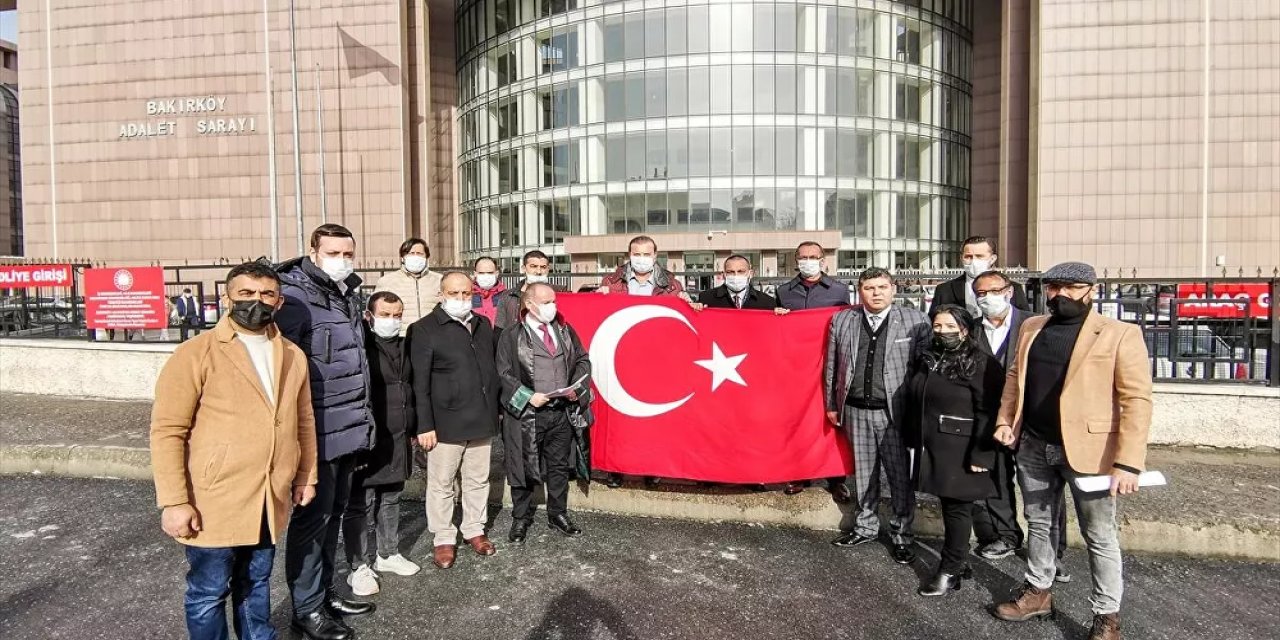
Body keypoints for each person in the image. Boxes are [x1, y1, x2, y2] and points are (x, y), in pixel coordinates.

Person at [150, 261, 317, 640]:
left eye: (266, 294)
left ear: (279, 300)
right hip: (215, 498)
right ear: (227, 297)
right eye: (246, 293)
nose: (256, 302)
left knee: (256, 584)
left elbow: (303, 421)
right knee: (209, 591)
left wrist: (306, 474)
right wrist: (175, 501)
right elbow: (168, 431)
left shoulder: (291, 354)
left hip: (267, 497)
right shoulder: (196, 353)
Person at [991, 262, 1153, 640]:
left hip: (1092, 454)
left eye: (1070, 287)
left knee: (1099, 534)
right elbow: (1016, 376)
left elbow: (1136, 400)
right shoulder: (1032, 328)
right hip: (1033, 443)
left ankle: (1106, 615)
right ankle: (1038, 592)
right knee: (1039, 523)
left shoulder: (1119, 334)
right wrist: (1005, 419)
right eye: (1054, 287)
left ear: (1090, 290)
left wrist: (1128, 462)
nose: (1060, 294)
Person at [276, 224, 376, 640]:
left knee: (332, 519)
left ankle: (323, 593)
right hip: (316, 433)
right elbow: (286, 373)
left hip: (347, 428)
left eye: (348, 252)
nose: (342, 259)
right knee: (311, 525)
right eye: (333, 252)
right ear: (313, 252)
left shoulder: (343, 293)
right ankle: (306, 609)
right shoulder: (295, 299)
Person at [824, 267, 930, 564]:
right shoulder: (844, 319)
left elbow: (924, 370)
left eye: (882, 287)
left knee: (899, 477)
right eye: (869, 288)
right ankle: (865, 526)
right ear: (860, 291)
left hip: (894, 412)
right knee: (864, 474)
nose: (876, 293)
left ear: (893, 289)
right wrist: (832, 403)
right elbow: (832, 366)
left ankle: (902, 534)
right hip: (856, 409)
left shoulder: (915, 320)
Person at [969, 270, 1070, 581]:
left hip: (1031, 420)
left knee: (1043, 490)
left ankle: (1054, 552)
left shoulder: (1036, 325)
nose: (989, 298)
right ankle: (1007, 535)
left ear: (1009, 291)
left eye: (995, 290)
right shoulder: (970, 330)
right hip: (988, 417)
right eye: (981, 293)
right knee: (996, 481)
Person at [904, 304, 1002, 596]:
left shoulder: (983, 362)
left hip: (965, 447)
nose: (943, 331)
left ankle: (949, 570)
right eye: (937, 326)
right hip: (935, 444)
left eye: (949, 326)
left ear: (965, 329)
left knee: (958, 509)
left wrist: (982, 455)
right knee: (951, 507)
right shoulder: (931, 357)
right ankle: (959, 562)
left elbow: (990, 411)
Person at [408, 272, 502, 569]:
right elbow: (418, 383)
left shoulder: (482, 324)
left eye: (465, 293)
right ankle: (443, 537)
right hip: (444, 421)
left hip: (480, 416)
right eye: (454, 293)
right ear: (442, 294)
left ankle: (474, 528)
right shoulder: (423, 330)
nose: (461, 299)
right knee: (442, 483)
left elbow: (490, 367)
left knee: (477, 479)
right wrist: (424, 425)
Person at [496, 282, 593, 542]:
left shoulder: (564, 329)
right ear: (530, 304)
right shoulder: (511, 335)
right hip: (529, 414)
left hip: (561, 411)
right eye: (547, 302)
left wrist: (577, 387)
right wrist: (528, 397)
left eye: (554, 302)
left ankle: (557, 513)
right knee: (523, 464)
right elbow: (503, 373)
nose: (553, 307)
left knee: (559, 465)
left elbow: (582, 360)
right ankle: (520, 517)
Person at [341, 292, 420, 599]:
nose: (392, 320)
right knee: (359, 503)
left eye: (397, 314)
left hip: (398, 434)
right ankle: (358, 565)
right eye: (385, 314)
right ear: (369, 317)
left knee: (391, 497)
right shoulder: (361, 347)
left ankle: (387, 554)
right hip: (368, 435)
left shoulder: (405, 345)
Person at [597, 235, 688, 488]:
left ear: (655, 256)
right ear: (628, 255)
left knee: (652, 416)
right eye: (636, 254)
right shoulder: (611, 282)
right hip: (620, 356)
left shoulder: (671, 284)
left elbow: (677, 319)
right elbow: (597, 314)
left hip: (655, 359)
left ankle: (651, 466)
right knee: (618, 417)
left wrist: (688, 304)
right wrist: (599, 297)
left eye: (646, 254)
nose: (641, 259)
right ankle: (616, 467)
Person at [777, 241, 853, 501]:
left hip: (830, 363)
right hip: (796, 368)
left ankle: (836, 479)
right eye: (803, 257)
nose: (808, 261)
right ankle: (799, 474)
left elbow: (847, 325)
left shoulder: (839, 290)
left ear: (823, 260)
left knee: (831, 421)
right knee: (798, 420)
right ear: (795, 260)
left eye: (813, 257)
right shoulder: (784, 291)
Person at [928, 236, 1029, 317]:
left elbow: (1023, 320)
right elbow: (934, 320)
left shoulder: (1013, 288)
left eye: (979, 256)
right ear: (961, 258)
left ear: (993, 258)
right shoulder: (944, 290)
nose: (973, 261)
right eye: (968, 256)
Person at [374, 237, 443, 332]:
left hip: (433, 335)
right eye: (411, 253)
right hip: (402, 336)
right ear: (403, 257)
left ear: (426, 257)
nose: (415, 256)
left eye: (419, 253)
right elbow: (376, 311)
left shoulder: (439, 280)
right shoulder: (387, 281)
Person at [495, 250, 565, 332]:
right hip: (515, 343)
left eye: (543, 267)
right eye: (533, 266)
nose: (538, 271)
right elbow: (499, 330)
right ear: (524, 268)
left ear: (548, 269)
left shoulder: (560, 293)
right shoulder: (508, 296)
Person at [691, 254, 781, 311]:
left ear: (750, 273)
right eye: (730, 272)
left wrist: (781, 316)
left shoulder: (767, 302)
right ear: (724, 275)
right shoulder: (706, 298)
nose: (736, 275)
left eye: (741, 271)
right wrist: (694, 310)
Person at [469, 256, 507, 325]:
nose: (485, 276)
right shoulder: (467, 295)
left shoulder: (506, 296)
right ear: (475, 274)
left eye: (490, 273)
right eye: (481, 273)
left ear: (497, 273)